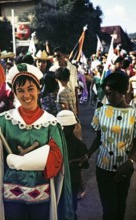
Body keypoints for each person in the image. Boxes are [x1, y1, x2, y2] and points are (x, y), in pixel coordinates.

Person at [0, 63, 74, 220]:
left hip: (40, 193)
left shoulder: (51, 123)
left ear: (39, 89)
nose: (26, 95)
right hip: (10, 194)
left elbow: (56, 161)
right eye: (20, 90)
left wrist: (22, 162)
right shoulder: (4, 121)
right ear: (14, 93)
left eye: (30, 89)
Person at [88, 72, 136, 220]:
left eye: (112, 94)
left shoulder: (133, 114)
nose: (108, 97)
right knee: (109, 210)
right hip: (103, 167)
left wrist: (131, 162)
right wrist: (87, 154)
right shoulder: (101, 111)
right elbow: (98, 138)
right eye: (107, 93)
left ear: (123, 91)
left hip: (124, 169)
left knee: (120, 206)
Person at [56, 110, 89, 220]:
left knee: (62, 207)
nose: (63, 130)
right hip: (72, 182)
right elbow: (85, 165)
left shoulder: (54, 144)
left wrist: (75, 161)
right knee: (70, 207)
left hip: (65, 182)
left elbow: (85, 164)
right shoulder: (79, 145)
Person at [49, 46, 79, 114]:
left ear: (65, 55)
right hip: (59, 103)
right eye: (55, 56)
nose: (56, 58)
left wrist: (77, 106)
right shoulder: (52, 70)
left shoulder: (73, 68)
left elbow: (75, 86)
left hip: (71, 101)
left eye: (58, 55)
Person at [34, 50, 58, 116]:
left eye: (43, 62)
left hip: (49, 105)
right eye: (39, 61)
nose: (41, 64)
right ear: (35, 62)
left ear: (47, 63)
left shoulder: (52, 75)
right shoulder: (32, 75)